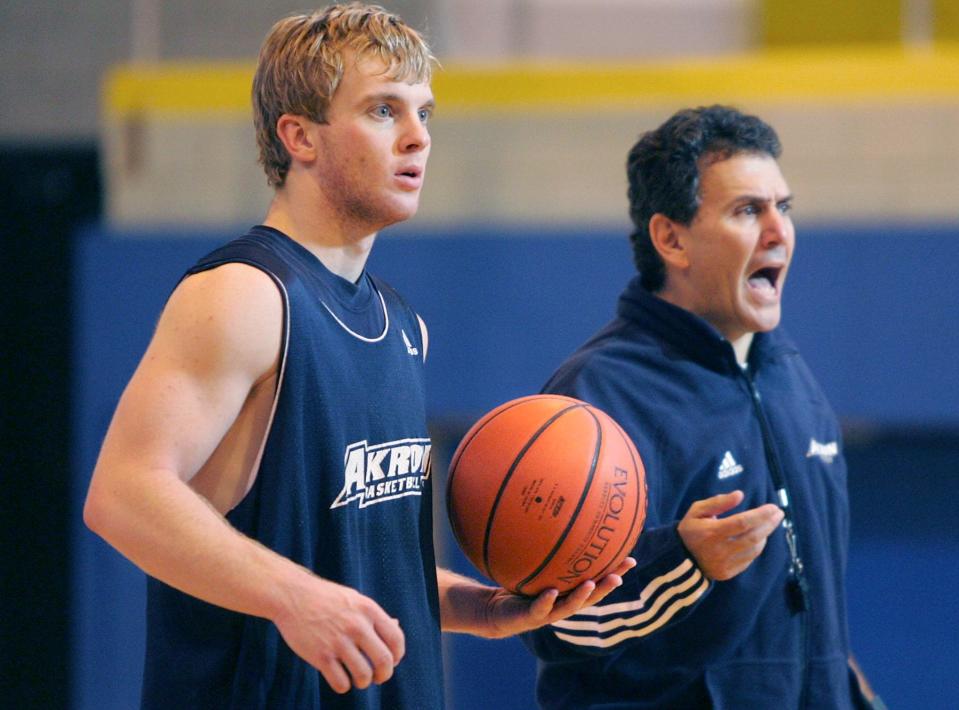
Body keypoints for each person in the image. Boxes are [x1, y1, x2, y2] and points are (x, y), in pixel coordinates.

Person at [83, 4, 632, 708]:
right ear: (300, 136)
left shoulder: (402, 324)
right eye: (382, 111)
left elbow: (358, 559)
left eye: (424, 115)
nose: (416, 139)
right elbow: (123, 495)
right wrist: (294, 598)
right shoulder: (246, 295)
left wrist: (480, 610)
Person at [523, 106, 881, 708]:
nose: (779, 231)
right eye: (748, 210)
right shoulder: (598, 398)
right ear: (671, 238)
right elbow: (555, 624)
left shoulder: (788, 373)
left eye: (783, 208)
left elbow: (810, 609)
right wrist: (683, 562)